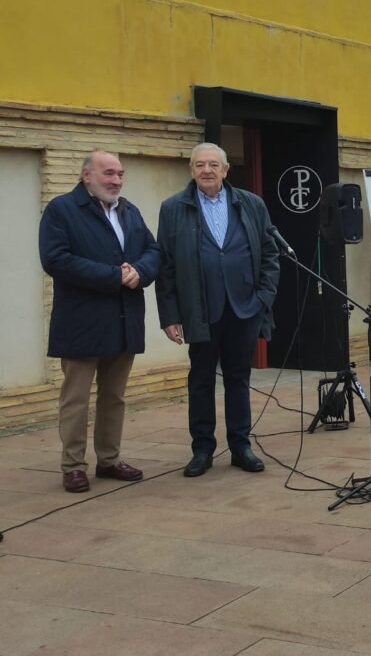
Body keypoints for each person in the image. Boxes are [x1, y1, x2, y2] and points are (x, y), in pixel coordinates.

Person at [39, 151, 161, 493]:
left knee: (114, 397)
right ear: (86, 176)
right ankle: (73, 466)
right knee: (75, 398)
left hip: (124, 319)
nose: (117, 180)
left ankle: (109, 459)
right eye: (109, 173)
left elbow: (154, 251)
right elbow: (55, 259)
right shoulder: (61, 210)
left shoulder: (130, 211)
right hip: (82, 321)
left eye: (120, 174)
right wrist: (113, 276)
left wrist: (140, 272)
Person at [157, 142, 280, 477]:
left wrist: (263, 298)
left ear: (226, 170)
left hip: (243, 309)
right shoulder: (173, 209)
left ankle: (240, 445)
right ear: (191, 170)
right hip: (199, 311)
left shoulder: (251, 204)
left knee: (239, 378)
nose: (206, 170)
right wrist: (169, 316)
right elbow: (165, 265)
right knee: (200, 380)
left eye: (213, 164)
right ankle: (202, 449)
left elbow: (270, 254)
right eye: (199, 165)